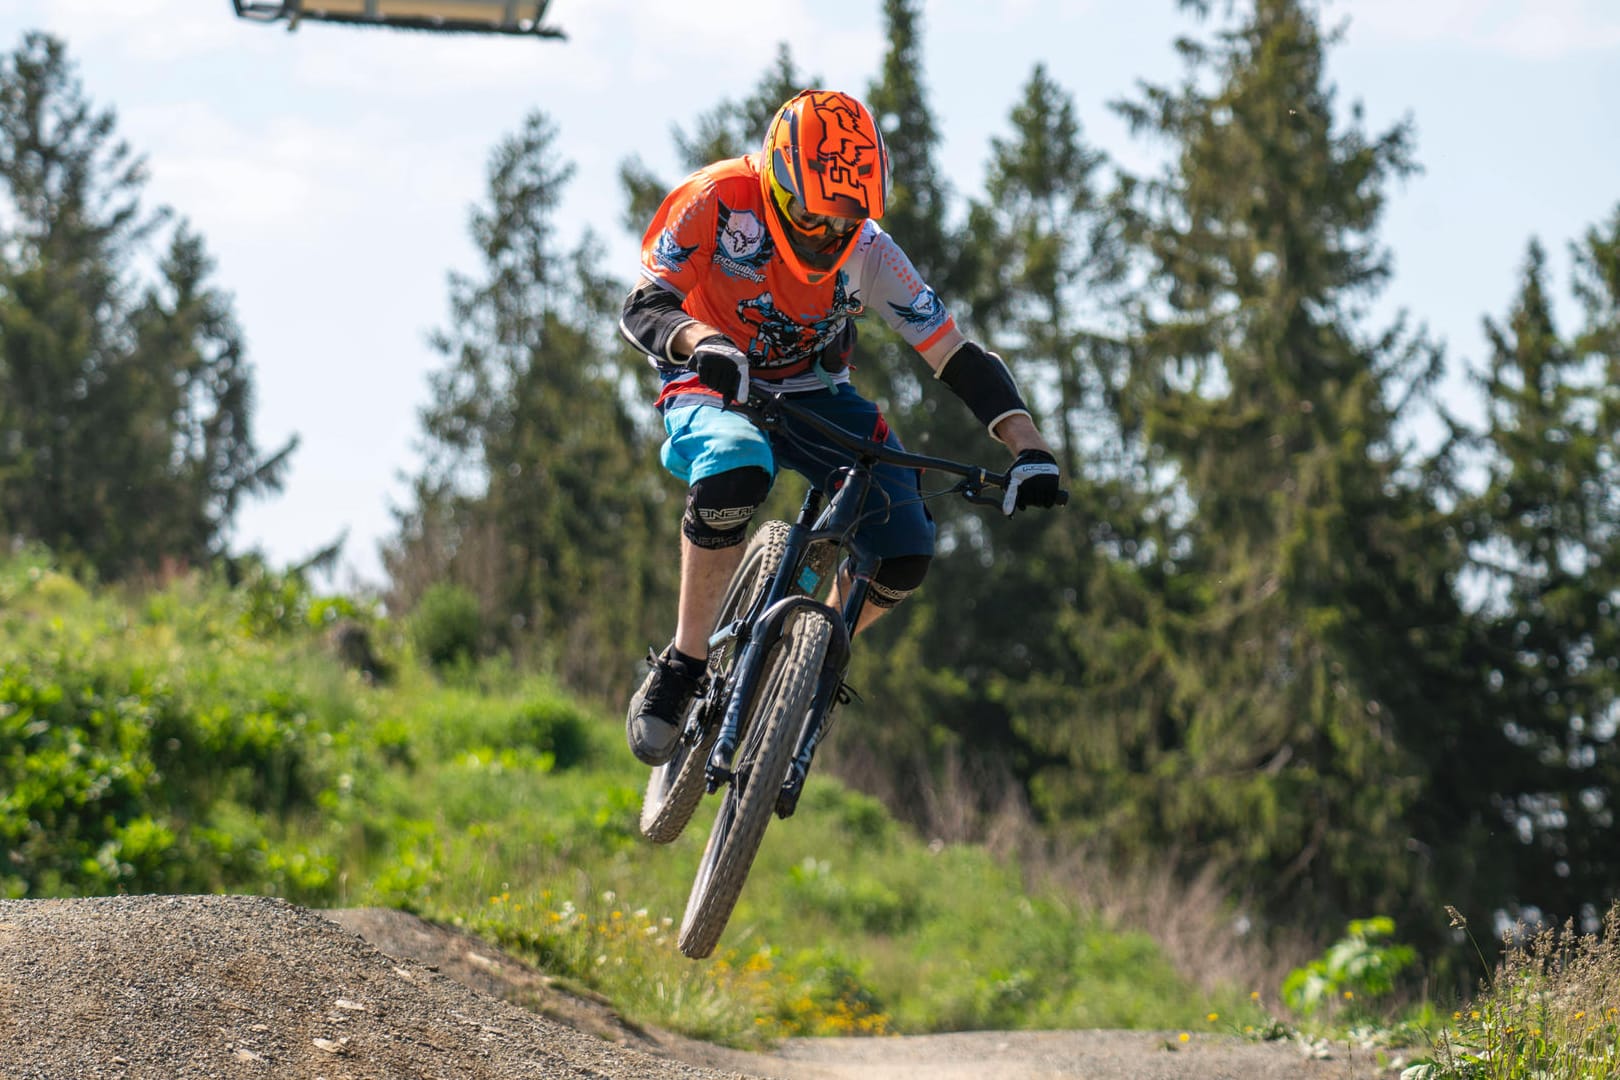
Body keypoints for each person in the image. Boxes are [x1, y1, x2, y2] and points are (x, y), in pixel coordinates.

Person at [618, 89, 1063, 766]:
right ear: (774, 182)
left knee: (907, 544)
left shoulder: (871, 253)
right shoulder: (714, 199)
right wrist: (700, 342)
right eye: (813, 215)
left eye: (845, 220)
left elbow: (956, 355)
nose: (828, 234)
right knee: (738, 467)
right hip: (710, 373)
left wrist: (1028, 448)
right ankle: (684, 661)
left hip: (812, 389)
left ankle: (811, 662)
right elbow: (645, 305)